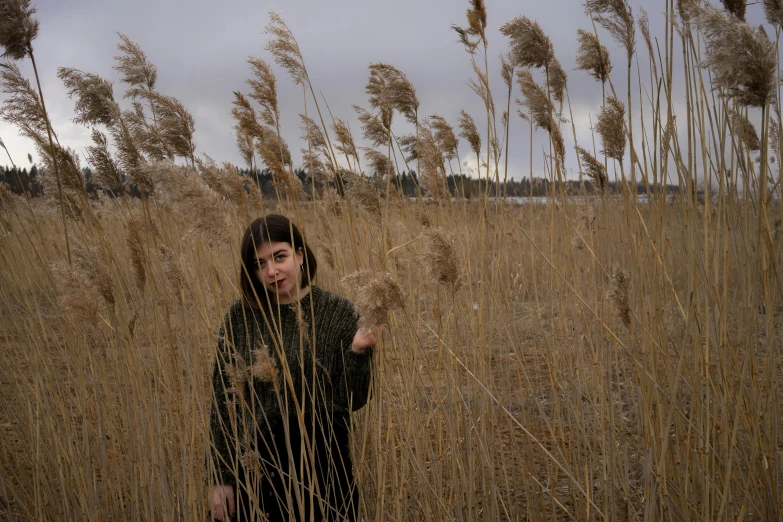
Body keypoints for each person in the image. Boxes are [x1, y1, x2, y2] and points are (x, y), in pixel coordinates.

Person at [208, 214, 378, 522]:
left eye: (279, 256)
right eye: (260, 264)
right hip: (256, 468)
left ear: (300, 254)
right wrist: (220, 478)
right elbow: (223, 403)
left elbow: (353, 400)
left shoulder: (340, 313)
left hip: (326, 469)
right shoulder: (240, 317)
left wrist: (358, 351)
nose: (271, 271)